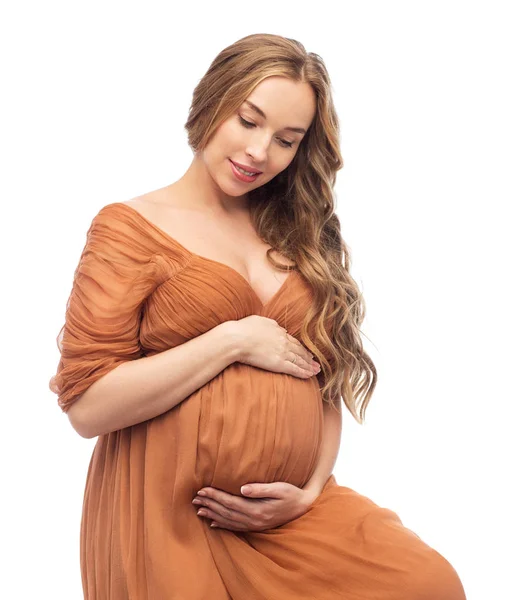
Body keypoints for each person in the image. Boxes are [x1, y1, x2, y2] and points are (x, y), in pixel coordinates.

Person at [49, 33, 466, 599]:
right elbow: (88, 407)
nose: (259, 152)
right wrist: (231, 341)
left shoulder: (299, 235)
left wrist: (312, 489)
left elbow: (324, 383)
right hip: (166, 512)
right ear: (212, 102)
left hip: (291, 517)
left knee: (427, 584)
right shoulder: (128, 227)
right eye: (248, 120)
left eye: (286, 140)